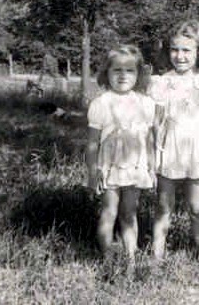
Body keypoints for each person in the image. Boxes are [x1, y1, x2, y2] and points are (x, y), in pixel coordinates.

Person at [148, 19, 199, 268]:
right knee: (164, 207)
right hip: (168, 150)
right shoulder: (162, 82)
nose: (180, 56)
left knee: (196, 207)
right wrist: (151, 154)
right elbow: (155, 122)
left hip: (196, 152)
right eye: (174, 50)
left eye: (186, 50)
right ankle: (156, 257)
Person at [86, 45, 155, 271]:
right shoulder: (101, 103)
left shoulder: (145, 103)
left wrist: (151, 166)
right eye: (117, 70)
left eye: (130, 70)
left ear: (139, 74)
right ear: (106, 73)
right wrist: (92, 172)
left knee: (129, 213)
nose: (123, 75)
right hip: (109, 167)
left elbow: (149, 140)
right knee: (109, 211)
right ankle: (107, 258)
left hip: (135, 166)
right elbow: (92, 143)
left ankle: (131, 259)